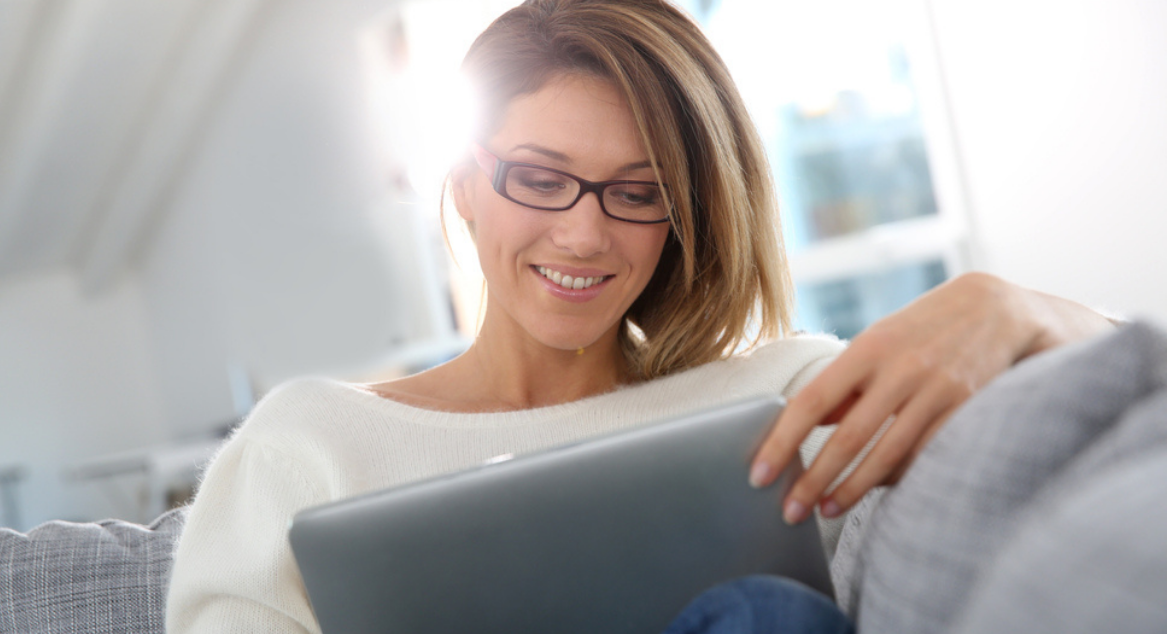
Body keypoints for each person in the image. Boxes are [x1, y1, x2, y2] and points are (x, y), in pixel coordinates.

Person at [164, 1, 1116, 632]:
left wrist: (1009, 305)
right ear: (465, 187)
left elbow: (1120, 402)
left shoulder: (782, 395)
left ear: (685, 213)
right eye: (540, 178)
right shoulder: (307, 444)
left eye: (638, 190)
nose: (584, 236)